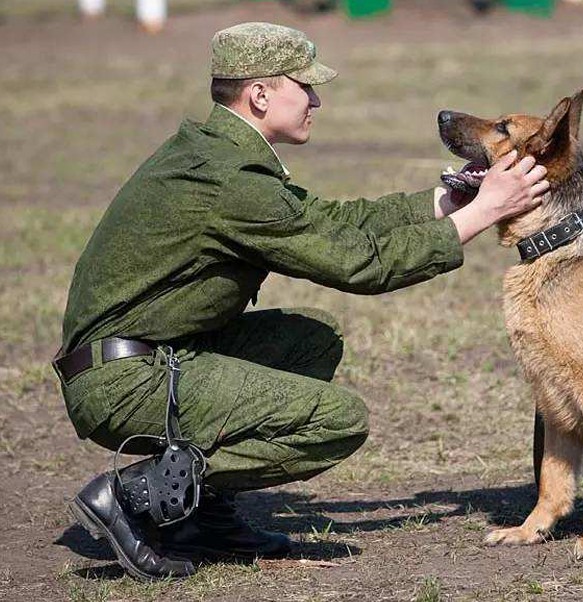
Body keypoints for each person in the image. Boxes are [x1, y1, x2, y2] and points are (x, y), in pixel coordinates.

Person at [52, 22, 548, 581]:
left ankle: (200, 517)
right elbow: (356, 263)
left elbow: (332, 225)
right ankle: (133, 496)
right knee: (336, 421)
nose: (316, 99)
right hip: (124, 381)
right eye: (304, 86)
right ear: (260, 94)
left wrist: (449, 200)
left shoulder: (220, 154)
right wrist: (482, 214)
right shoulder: (231, 179)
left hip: (146, 355)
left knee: (310, 340)